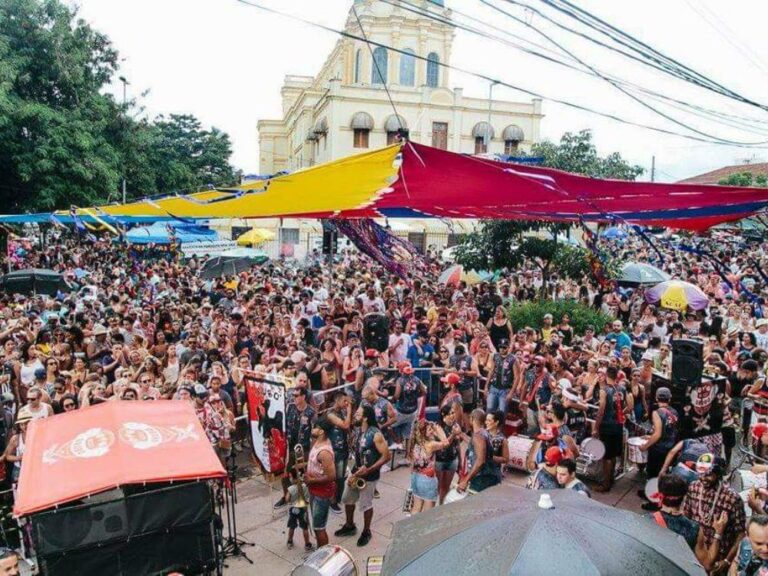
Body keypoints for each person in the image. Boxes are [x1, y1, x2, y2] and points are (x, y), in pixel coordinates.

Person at [334, 404, 390, 547]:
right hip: (357, 471)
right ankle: (349, 525)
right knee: (347, 498)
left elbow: (386, 456)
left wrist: (369, 469)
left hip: (369, 476)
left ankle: (366, 531)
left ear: (365, 417)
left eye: (358, 414)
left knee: (366, 505)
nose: (355, 416)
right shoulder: (359, 431)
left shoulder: (376, 434)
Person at [651, 473, 725, 572]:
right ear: (684, 497)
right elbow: (707, 564)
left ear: (660, 496)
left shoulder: (646, 521)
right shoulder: (694, 529)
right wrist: (718, 534)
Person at [683, 456, 746, 570]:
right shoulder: (693, 487)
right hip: (695, 554)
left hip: (719, 558)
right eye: (701, 473)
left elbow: (741, 535)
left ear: (718, 475)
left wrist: (727, 561)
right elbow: (686, 519)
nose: (703, 478)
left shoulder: (732, 498)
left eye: (708, 475)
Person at [276, 387, 316, 509]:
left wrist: (313, 451)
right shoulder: (290, 407)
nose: (294, 398)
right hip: (289, 447)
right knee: (284, 473)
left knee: (303, 474)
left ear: (303, 396)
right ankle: (286, 495)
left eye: (297, 395)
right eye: (293, 395)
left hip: (303, 449)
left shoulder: (311, 412)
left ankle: (303, 495)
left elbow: (314, 433)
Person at [592, 366, 627, 493]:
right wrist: (621, 414)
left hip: (607, 425)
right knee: (612, 455)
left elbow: (601, 410)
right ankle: (610, 479)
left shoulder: (604, 390)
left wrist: (596, 427)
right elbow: (629, 405)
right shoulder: (622, 388)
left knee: (606, 456)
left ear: (607, 376)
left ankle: (605, 484)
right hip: (618, 425)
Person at [303, 418, 336, 548]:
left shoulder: (324, 452)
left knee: (319, 527)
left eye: (315, 427)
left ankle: (323, 555)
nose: (312, 429)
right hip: (314, 490)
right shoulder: (317, 443)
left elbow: (332, 476)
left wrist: (312, 480)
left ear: (321, 431)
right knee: (317, 526)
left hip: (321, 494)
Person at [408, 419, 449, 514]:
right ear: (423, 433)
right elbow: (446, 443)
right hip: (427, 480)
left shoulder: (415, 443)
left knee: (416, 508)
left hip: (415, 477)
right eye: (429, 429)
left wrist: (432, 431)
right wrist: (439, 431)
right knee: (428, 514)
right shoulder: (430, 445)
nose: (432, 431)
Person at [640, 387, 679, 481]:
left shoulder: (657, 413)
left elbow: (658, 434)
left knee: (653, 474)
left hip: (658, 449)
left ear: (656, 398)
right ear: (669, 399)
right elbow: (669, 431)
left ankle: (650, 494)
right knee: (663, 473)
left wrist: (645, 446)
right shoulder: (675, 412)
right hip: (670, 447)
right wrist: (650, 436)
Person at [457, 409, 499, 495]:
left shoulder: (478, 436)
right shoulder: (483, 433)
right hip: (488, 476)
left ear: (472, 419)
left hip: (482, 479)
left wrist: (465, 480)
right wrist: (460, 433)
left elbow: (480, 461)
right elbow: (474, 444)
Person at [326, 392, 352, 513]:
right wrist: (350, 410)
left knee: (341, 477)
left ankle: (337, 498)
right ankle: (332, 502)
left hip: (344, 449)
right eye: (344, 401)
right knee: (335, 477)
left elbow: (348, 428)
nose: (347, 404)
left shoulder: (342, 412)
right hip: (335, 451)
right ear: (337, 400)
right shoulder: (330, 414)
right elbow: (345, 425)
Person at [435, 403, 462, 504]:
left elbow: (458, 445)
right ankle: (438, 503)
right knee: (438, 486)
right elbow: (444, 444)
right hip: (440, 461)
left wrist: (460, 461)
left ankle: (442, 504)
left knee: (446, 486)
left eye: (454, 413)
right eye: (451, 413)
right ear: (443, 414)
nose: (453, 415)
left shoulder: (456, 426)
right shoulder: (438, 427)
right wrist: (453, 434)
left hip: (452, 460)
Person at [486, 338, 516, 415]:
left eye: (504, 347)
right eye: (500, 347)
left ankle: (500, 427)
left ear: (508, 347)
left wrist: (511, 393)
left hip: (505, 390)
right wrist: (486, 386)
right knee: (489, 411)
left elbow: (517, 377)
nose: (502, 349)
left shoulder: (513, 359)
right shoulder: (495, 356)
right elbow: (491, 371)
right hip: (493, 388)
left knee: (502, 414)